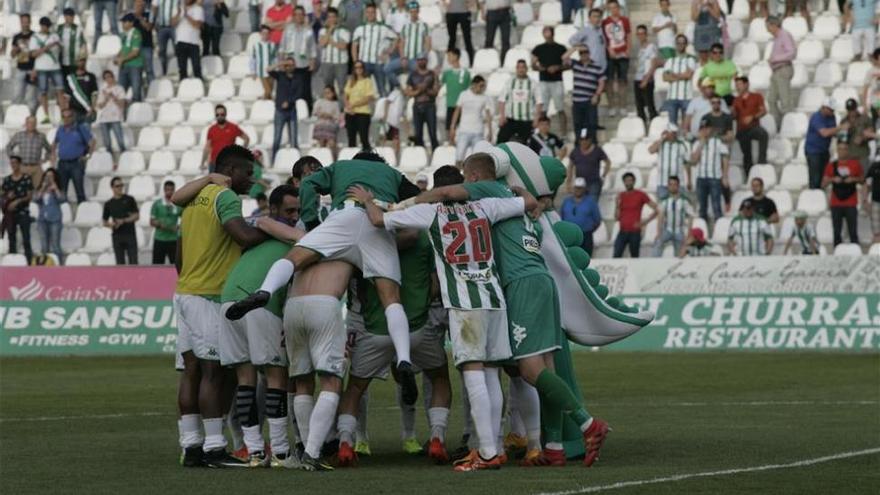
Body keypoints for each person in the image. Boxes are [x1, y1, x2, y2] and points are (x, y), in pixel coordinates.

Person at [410, 154, 611, 469]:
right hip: (542, 281)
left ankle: (588, 425)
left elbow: (449, 195)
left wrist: (407, 203)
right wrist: (523, 194)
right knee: (547, 370)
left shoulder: (484, 191)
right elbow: (534, 202)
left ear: (474, 178)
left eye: (466, 177)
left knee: (528, 370)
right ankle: (553, 447)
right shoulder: (513, 200)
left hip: (519, 286)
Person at [224, 153, 425, 413]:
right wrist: (391, 210)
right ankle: (405, 360)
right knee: (391, 299)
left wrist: (311, 221)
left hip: (342, 219)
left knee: (294, 258)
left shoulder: (339, 167)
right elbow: (415, 198)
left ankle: (264, 290)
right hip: (378, 225)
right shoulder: (393, 174)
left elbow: (308, 185)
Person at [169, 148, 268, 468]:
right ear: (229, 169)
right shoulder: (225, 198)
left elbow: (179, 253)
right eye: (246, 172)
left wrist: (190, 279)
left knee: (191, 372)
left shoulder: (192, 200)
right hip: (209, 296)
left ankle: (191, 446)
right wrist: (270, 231)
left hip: (185, 292)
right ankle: (214, 448)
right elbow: (243, 235)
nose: (250, 179)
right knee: (216, 373)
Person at [336, 227, 452, 466]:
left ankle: (346, 442)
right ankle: (437, 437)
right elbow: (435, 285)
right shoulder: (424, 241)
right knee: (439, 377)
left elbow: (356, 285)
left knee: (355, 388)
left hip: (376, 329)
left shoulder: (369, 241)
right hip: (417, 328)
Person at [218, 185, 305, 469]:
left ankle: (255, 452)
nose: (294, 216)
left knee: (245, 379)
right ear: (274, 209)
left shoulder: (259, 235)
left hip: (228, 298)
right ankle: (280, 452)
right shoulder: (293, 240)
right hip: (259, 303)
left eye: (298, 211)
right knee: (276, 376)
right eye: (289, 211)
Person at [822, 141, 865, 245]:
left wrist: (853, 179)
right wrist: (833, 179)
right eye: (840, 149)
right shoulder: (831, 165)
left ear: (848, 150)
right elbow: (823, 184)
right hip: (836, 203)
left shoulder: (855, 164)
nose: (842, 151)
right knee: (836, 233)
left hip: (851, 202)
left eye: (844, 149)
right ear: (837, 150)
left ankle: (855, 252)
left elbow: (862, 180)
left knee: (853, 233)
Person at [351, 3, 397, 97]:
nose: (370, 14)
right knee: (362, 89)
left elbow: (396, 38)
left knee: (382, 89)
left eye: (372, 12)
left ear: (376, 13)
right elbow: (354, 46)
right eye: (368, 12)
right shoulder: (360, 28)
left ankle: (383, 110)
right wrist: (355, 61)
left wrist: (389, 51)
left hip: (378, 63)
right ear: (365, 13)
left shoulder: (383, 28)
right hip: (364, 63)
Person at [53, 109, 96, 203]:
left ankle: (83, 212)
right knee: (62, 190)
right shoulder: (60, 129)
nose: (66, 119)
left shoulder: (80, 128)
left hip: (76, 163)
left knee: (79, 190)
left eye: (69, 117)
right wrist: (53, 157)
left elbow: (92, 142)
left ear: (73, 117)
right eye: (64, 117)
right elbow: (55, 143)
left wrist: (88, 155)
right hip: (62, 164)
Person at [385, 2, 429, 91]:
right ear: (409, 12)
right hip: (406, 58)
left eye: (415, 11)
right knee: (387, 69)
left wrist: (422, 59)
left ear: (418, 12)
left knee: (414, 79)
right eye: (412, 12)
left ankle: (412, 93)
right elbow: (402, 43)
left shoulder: (424, 26)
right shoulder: (405, 26)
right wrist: (403, 57)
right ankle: (399, 87)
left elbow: (427, 43)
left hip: (416, 60)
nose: (413, 14)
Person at [691, 120, 729, 222]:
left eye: (706, 128)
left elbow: (725, 159)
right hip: (701, 178)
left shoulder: (718, 142)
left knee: (716, 206)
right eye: (702, 129)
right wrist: (701, 145)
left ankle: (719, 228)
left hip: (715, 177)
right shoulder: (697, 143)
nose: (704, 131)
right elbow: (693, 161)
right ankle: (703, 231)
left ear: (710, 129)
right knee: (702, 207)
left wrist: (725, 176)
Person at [450, 75, 494, 165]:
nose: (482, 88)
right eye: (481, 86)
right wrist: (452, 127)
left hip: (478, 131)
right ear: (474, 84)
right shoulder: (464, 94)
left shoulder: (485, 97)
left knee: (478, 159)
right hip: (464, 130)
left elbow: (488, 115)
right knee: (459, 157)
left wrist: (490, 131)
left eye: (484, 86)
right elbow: (457, 111)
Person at [565, 45, 606, 140]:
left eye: (585, 52)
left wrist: (597, 95)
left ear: (589, 53)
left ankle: (593, 144)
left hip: (589, 100)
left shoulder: (596, 66)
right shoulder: (576, 64)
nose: (583, 54)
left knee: (591, 124)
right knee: (578, 124)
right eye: (581, 53)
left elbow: (602, 82)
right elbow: (564, 58)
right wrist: (575, 48)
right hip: (577, 100)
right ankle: (578, 144)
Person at [497, 60, 542, 144]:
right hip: (511, 120)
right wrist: (502, 116)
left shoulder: (533, 83)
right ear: (516, 69)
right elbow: (502, 100)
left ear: (526, 69)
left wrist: (536, 119)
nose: (521, 69)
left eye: (523, 67)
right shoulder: (510, 82)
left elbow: (539, 102)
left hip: (526, 120)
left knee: (525, 145)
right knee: (500, 140)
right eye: (519, 67)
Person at [532, 27, 568, 133]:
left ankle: (563, 133)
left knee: (560, 108)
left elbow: (567, 65)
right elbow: (533, 66)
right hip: (544, 81)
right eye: (545, 32)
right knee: (543, 109)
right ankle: (541, 131)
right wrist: (541, 68)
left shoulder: (561, 48)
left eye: (548, 32)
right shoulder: (538, 48)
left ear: (553, 33)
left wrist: (557, 67)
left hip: (557, 81)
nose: (547, 35)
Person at [281, 6, 317, 111]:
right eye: (296, 14)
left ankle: (307, 112)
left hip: (303, 64)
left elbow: (312, 48)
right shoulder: (288, 29)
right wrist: (282, 62)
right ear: (293, 16)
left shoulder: (308, 30)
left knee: (305, 90)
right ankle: (290, 111)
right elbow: (282, 46)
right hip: (290, 65)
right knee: (290, 90)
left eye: (301, 14)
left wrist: (312, 62)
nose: (299, 17)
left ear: (304, 16)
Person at [805, 99, 847, 189]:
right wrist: (840, 127)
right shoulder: (816, 117)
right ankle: (814, 196)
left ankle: (821, 196)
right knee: (815, 178)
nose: (833, 112)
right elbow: (824, 133)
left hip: (824, 150)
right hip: (814, 151)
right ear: (824, 108)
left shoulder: (832, 117)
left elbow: (833, 132)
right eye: (831, 110)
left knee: (824, 176)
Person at [30, 17, 65, 124]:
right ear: (41, 26)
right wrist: (47, 47)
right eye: (45, 26)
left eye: (48, 26)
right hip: (41, 68)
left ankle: (64, 115)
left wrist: (58, 45)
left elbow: (62, 49)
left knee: (60, 91)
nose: (47, 28)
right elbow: (33, 54)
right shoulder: (35, 37)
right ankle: (46, 115)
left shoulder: (54, 36)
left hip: (55, 66)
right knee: (43, 92)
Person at [732, 76, 769, 176]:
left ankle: (762, 161)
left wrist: (752, 117)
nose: (737, 87)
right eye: (736, 85)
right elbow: (734, 116)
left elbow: (763, 111)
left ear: (746, 84)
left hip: (753, 127)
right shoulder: (736, 100)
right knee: (746, 152)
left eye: (739, 85)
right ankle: (749, 173)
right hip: (742, 129)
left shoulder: (757, 96)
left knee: (763, 134)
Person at [2, 156, 35, 264]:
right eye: (11, 163)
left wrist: (18, 201)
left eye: (15, 163)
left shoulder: (26, 178)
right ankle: (13, 262)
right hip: (10, 214)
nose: (13, 165)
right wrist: (7, 197)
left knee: (26, 238)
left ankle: (29, 262)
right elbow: (2, 195)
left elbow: (29, 196)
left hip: (23, 212)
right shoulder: (7, 180)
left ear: (20, 164)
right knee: (11, 238)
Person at [601, 0, 631, 116]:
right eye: (611, 8)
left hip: (623, 53)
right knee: (609, 81)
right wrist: (609, 49)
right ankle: (612, 106)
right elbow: (604, 38)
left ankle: (623, 106)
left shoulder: (625, 20)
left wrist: (628, 49)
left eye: (615, 7)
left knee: (622, 80)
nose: (613, 10)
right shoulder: (605, 22)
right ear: (608, 9)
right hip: (610, 54)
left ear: (619, 8)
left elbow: (628, 35)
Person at [653, 176, 694, 257]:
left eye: (675, 184)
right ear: (668, 186)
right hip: (667, 230)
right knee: (658, 243)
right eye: (670, 184)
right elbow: (660, 217)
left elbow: (691, 216)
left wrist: (689, 233)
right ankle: (655, 265)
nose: (672, 187)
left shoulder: (684, 200)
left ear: (678, 186)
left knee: (680, 253)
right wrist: (658, 232)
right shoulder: (664, 200)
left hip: (679, 231)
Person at [102, 177, 140, 265]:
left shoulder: (129, 199)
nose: (120, 188)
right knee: (120, 264)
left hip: (130, 234)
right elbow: (105, 221)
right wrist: (112, 224)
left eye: (121, 185)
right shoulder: (109, 204)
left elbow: (136, 216)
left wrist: (123, 221)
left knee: (133, 262)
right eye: (117, 186)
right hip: (117, 235)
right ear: (112, 188)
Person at [405, 54, 440, 150]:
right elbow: (407, 91)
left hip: (430, 106)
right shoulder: (412, 75)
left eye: (423, 59)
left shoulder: (432, 74)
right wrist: (418, 91)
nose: (421, 62)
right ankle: (420, 155)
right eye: (419, 60)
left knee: (432, 133)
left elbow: (436, 91)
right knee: (418, 134)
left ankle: (435, 153)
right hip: (417, 106)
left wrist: (426, 89)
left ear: (426, 61)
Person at [7, 116, 52, 188]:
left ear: (36, 124)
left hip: (36, 168)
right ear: (26, 123)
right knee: (22, 190)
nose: (31, 124)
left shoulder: (41, 136)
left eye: (33, 122)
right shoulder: (19, 135)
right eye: (29, 122)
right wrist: (15, 159)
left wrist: (45, 159)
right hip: (22, 167)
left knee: (37, 189)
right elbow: (9, 147)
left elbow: (49, 150)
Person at [766, 16, 796, 124]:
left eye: (768, 26)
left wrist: (775, 59)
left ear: (773, 25)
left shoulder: (784, 35)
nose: (767, 30)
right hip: (776, 71)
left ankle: (788, 125)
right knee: (771, 99)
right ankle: (778, 123)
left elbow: (792, 53)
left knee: (785, 101)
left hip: (783, 69)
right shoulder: (778, 37)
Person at [662, 34, 697, 124]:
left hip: (686, 97)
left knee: (686, 125)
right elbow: (665, 77)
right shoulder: (670, 60)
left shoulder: (691, 60)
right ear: (675, 44)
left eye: (683, 43)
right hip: (672, 97)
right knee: (672, 125)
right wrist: (681, 76)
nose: (680, 45)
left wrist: (673, 75)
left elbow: (688, 76)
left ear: (686, 44)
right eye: (678, 43)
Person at [649, 123, 690, 199]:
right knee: (663, 205)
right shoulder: (661, 144)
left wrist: (689, 180)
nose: (673, 135)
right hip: (662, 182)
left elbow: (687, 164)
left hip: (678, 182)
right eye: (671, 133)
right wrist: (662, 138)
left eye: (675, 133)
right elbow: (651, 150)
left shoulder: (682, 145)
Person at [561, 177, 602, 255]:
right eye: (576, 188)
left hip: (586, 235)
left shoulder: (591, 202)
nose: (578, 190)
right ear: (573, 188)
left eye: (580, 188)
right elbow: (562, 216)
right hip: (570, 236)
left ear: (584, 189)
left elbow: (597, 220)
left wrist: (589, 229)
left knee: (586, 257)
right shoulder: (566, 201)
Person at [316, 8, 350, 98]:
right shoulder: (322, 31)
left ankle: (342, 108)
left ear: (337, 18)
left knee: (342, 88)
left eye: (333, 17)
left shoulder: (344, 30)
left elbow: (343, 46)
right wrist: (330, 30)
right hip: (326, 62)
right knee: (328, 88)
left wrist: (331, 41)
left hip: (341, 63)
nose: (331, 19)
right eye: (329, 17)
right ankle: (331, 107)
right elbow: (322, 44)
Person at [204, 104, 249, 170]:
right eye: (217, 115)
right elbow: (207, 147)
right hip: (214, 163)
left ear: (225, 114)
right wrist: (202, 162)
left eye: (222, 114)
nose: (219, 116)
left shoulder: (233, 127)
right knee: (214, 181)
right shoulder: (211, 129)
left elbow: (246, 139)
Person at [271, 58, 301, 158]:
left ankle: (296, 162)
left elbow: (299, 94)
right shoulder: (280, 75)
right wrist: (282, 62)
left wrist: (289, 102)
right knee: (277, 138)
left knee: (294, 139)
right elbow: (268, 69)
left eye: (291, 65)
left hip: (292, 111)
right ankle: (274, 160)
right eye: (287, 65)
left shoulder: (298, 78)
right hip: (280, 111)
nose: (289, 67)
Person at [344, 61, 378, 149]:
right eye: (356, 67)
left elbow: (368, 98)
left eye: (360, 67)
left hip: (363, 112)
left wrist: (353, 105)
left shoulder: (367, 81)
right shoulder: (351, 81)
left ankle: (367, 157)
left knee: (364, 138)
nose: (358, 69)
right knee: (351, 138)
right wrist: (348, 106)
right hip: (350, 113)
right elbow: (346, 95)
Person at [568, 130, 610, 198]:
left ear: (590, 139)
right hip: (580, 183)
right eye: (582, 139)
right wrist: (568, 182)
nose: (584, 141)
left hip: (594, 183)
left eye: (586, 139)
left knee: (592, 204)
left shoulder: (597, 150)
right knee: (580, 205)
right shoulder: (575, 151)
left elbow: (608, 162)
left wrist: (603, 176)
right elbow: (570, 166)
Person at [633, 24, 661, 125]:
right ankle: (642, 125)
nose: (640, 36)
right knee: (639, 105)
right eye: (638, 34)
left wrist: (647, 79)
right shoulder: (637, 48)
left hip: (647, 79)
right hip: (637, 78)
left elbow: (654, 64)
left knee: (649, 104)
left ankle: (654, 124)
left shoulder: (651, 47)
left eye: (642, 33)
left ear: (646, 34)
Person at [440, 48, 471, 136]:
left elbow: (469, 89)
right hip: (450, 105)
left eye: (449, 56)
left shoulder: (465, 73)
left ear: (456, 56)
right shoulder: (447, 73)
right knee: (450, 131)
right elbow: (440, 85)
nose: (448, 58)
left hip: (462, 106)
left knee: (463, 131)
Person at [95, 71, 127, 154]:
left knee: (120, 141)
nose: (108, 79)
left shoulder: (119, 88)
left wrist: (113, 97)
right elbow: (99, 106)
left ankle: (124, 157)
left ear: (113, 77)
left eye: (110, 77)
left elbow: (122, 104)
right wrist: (106, 99)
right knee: (107, 143)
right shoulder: (102, 90)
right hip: (104, 118)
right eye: (106, 77)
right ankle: (110, 161)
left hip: (115, 117)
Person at [12, 13, 38, 115]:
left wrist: (36, 70)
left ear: (30, 22)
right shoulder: (16, 37)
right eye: (23, 22)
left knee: (31, 96)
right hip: (20, 68)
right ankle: (17, 116)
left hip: (32, 69)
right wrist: (16, 50)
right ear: (20, 23)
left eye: (27, 22)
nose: (25, 24)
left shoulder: (35, 36)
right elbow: (12, 55)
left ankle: (31, 116)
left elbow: (38, 54)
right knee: (17, 94)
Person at [150, 180, 181, 264]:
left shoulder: (178, 204)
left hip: (173, 240)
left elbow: (184, 219)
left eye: (171, 190)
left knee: (175, 266)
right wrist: (164, 226)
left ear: (174, 190)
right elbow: (152, 222)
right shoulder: (157, 204)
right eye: (167, 189)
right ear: (164, 190)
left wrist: (179, 226)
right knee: (157, 267)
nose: (169, 192)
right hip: (160, 239)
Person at [115, 14, 144, 103]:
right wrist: (117, 56)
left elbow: (135, 52)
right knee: (120, 92)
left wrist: (122, 59)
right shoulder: (124, 34)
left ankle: (137, 111)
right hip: (124, 66)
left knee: (135, 92)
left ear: (131, 23)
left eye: (125, 22)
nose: (123, 24)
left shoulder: (136, 33)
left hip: (135, 65)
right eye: (122, 22)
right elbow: (124, 48)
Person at [840, 98, 876, 169]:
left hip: (862, 155)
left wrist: (863, 138)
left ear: (856, 108)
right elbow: (840, 139)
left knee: (863, 178)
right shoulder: (843, 121)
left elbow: (874, 134)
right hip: (849, 156)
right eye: (849, 110)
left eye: (853, 109)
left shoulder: (865, 118)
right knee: (851, 178)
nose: (852, 112)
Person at [569, 8, 607, 72]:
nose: (597, 19)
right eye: (594, 16)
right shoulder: (586, 30)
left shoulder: (601, 30)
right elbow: (572, 40)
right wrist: (582, 46)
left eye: (599, 16)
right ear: (589, 18)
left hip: (603, 64)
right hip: (591, 65)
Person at [176, 0, 204, 80]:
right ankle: (183, 88)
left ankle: (199, 87)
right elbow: (172, 23)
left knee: (196, 67)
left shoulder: (198, 9)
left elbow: (197, 25)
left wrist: (186, 15)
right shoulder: (179, 9)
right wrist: (178, 14)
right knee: (182, 69)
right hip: (180, 42)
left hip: (193, 42)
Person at [64, 56, 98, 124]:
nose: (81, 63)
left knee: (86, 133)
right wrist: (67, 110)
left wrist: (92, 108)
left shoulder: (91, 76)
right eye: (79, 61)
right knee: (75, 133)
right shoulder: (70, 77)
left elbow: (94, 93)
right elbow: (67, 96)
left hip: (87, 109)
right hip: (74, 110)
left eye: (83, 61)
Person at [153, 0, 182, 76]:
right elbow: (154, 7)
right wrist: (154, 21)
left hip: (175, 27)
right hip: (161, 27)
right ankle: (163, 71)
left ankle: (179, 70)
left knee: (178, 49)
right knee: (162, 51)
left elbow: (181, 7)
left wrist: (178, 17)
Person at [251, 25, 279, 100]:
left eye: (267, 33)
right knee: (268, 90)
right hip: (261, 71)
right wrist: (253, 71)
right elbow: (253, 59)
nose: (265, 35)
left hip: (272, 71)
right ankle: (263, 99)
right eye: (263, 33)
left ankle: (265, 102)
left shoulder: (272, 45)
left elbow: (275, 58)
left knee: (270, 91)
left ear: (269, 34)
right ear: (260, 34)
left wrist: (276, 68)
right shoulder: (256, 45)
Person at [690, 0, 722, 64]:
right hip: (700, 32)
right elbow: (694, 18)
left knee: (713, 54)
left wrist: (709, 7)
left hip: (712, 32)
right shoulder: (695, 2)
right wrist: (700, 7)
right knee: (703, 56)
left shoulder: (714, 2)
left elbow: (717, 17)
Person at [58, 8, 86, 77]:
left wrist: (82, 60)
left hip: (74, 61)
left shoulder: (78, 29)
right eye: (68, 16)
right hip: (61, 61)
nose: (70, 18)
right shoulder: (58, 28)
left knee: (74, 83)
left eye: (72, 16)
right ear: (64, 17)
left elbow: (83, 45)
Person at [133, 0, 155, 86]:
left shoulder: (149, 15)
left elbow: (148, 27)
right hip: (135, 48)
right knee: (137, 72)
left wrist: (140, 18)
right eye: (137, 5)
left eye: (141, 5)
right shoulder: (131, 17)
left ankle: (152, 88)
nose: (139, 7)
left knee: (149, 70)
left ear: (144, 6)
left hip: (147, 46)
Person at [313, 85, 341, 151]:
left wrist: (330, 115)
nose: (326, 94)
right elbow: (315, 112)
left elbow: (337, 116)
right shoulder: (319, 102)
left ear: (333, 93)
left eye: (328, 92)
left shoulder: (335, 104)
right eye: (325, 93)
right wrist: (321, 114)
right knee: (321, 144)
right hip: (320, 125)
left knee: (332, 144)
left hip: (330, 125)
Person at [864, 157, 880, 243]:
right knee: (876, 232)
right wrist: (865, 200)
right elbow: (867, 183)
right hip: (876, 201)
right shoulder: (875, 166)